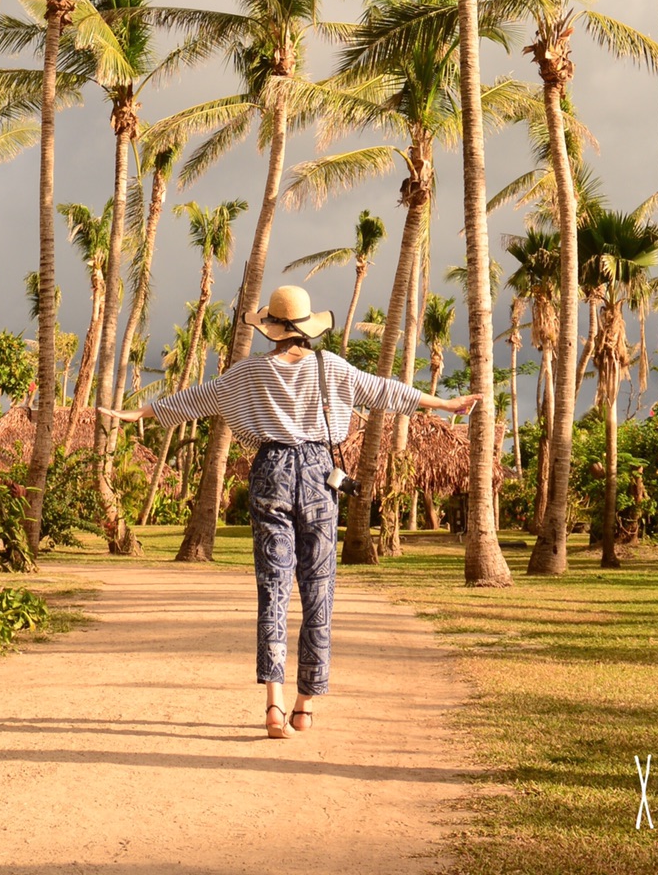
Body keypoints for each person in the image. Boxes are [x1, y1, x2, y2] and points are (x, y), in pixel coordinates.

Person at [119, 281, 476, 737]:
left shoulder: (247, 373)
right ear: (307, 328)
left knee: (273, 589)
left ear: (270, 328)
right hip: (318, 471)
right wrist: (445, 402)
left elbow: (195, 400)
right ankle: (305, 706)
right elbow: (387, 392)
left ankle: (273, 705)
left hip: (270, 470)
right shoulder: (331, 367)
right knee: (318, 590)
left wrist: (142, 414)